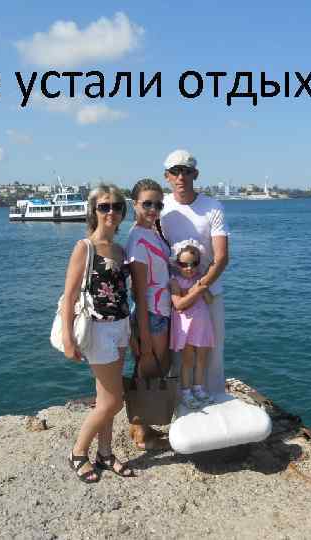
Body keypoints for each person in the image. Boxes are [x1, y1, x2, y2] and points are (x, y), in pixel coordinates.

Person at [63, 184, 135, 483]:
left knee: (106, 397)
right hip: (98, 329)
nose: (111, 212)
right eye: (104, 206)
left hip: (121, 326)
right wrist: (68, 338)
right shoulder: (85, 247)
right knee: (113, 402)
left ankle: (105, 453)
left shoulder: (120, 250)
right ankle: (78, 452)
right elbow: (69, 296)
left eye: (116, 206)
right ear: (94, 211)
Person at [160, 149, 230, 395]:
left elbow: (221, 257)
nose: (181, 177)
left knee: (212, 349)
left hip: (209, 294)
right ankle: (179, 400)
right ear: (167, 176)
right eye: (175, 171)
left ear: (195, 174)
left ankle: (213, 397)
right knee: (176, 351)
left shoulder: (213, 207)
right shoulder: (161, 207)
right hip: (173, 294)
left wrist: (199, 288)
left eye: (186, 171)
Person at [125, 178, 172, 449]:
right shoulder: (137, 241)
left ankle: (139, 426)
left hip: (159, 310)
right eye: (147, 204)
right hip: (152, 313)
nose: (153, 209)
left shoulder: (151, 232)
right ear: (135, 205)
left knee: (149, 370)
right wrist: (143, 339)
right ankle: (142, 433)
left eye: (158, 204)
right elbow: (140, 294)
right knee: (150, 370)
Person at [169, 241, 215, 408]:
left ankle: (199, 388)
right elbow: (178, 304)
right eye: (184, 264)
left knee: (202, 359)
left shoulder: (200, 280)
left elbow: (209, 300)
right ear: (177, 264)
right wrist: (196, 290)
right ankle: (186, 392)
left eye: (194, 264)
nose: (189, 268)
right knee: (187, 360)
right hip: (186, 327)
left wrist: (203, 287)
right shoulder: (175, 281)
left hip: (202, 324)